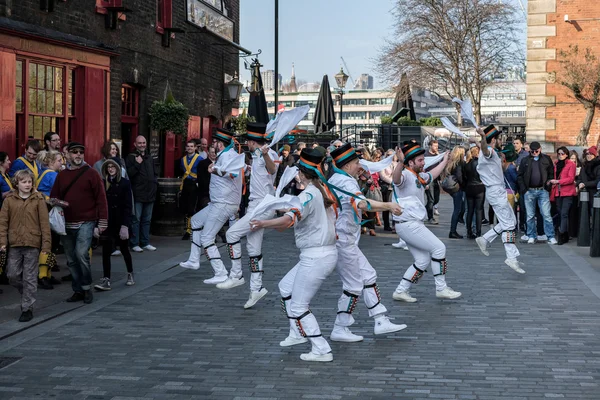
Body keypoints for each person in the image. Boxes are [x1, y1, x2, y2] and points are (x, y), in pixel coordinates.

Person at [250, 148, 337, 362]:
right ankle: (297, 333)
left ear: (302, 174)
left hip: (316, 256)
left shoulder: (309, 194)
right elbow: (294, 216)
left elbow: (290, 219)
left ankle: (321, 348)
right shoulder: (320, 190)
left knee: (299, 305)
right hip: (320, 254)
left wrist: (263, 223)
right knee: (285, 287)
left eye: (298, 170)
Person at [327, 143, 407, 342]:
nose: (359, 166)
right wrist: (388, 205)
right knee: (353, 285)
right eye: (356, 163)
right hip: (342, 240)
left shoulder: (343, 178)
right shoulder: (344, 182)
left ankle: (380, 319)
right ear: (346, 166)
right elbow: (362, 203)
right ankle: (340, 327)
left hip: (347, 240)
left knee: (368, 275)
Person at [217, 122, 278, 309]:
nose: (247, 145)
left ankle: (236, 275)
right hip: (255, 204)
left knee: (232, 234)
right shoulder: (256, 155)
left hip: (261, 206)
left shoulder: (269, 153)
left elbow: (273, 170)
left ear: (253, 141)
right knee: (254, 250)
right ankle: (256, 288)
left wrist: (266, 154)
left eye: (248, 142)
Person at [391, 142, 461, 303]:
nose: (424, 163)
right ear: (410, 163)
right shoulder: (405, 175)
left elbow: (433, 175)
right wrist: (400, 162)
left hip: (412, 224)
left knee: (422, 260)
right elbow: (395, 180)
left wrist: (444, 160)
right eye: (420, 160)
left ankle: (401, 290)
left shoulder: (419, 176)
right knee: (439, 248)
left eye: (423, 160)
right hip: (408, 223)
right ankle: (441, 288)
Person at [179, 128, 244, 284]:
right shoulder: (227, 155)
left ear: (220, 143)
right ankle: (194, 259)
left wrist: (214, 170)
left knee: (207, 237)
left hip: (223, 204)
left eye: (214, 142)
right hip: (218, 202)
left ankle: (220, 272)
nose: (212, 144)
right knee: (195, 221)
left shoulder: (228, 156)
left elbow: (232, 174)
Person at [50, 142, 108, 304]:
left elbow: (101, 199)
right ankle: (77, 289)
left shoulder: (92, 174)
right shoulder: (62, 176)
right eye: (74, 152)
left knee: (81, 254)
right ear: (67, 155)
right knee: (71, 259)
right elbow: (54, 196)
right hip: (66, 222)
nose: (78, 155)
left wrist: (102, 222)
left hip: (86, 221)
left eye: (80, 152)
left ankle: (86, 287)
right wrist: (57, 202)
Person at [0, 169, 51, 322]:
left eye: (29, 181)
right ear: (17, 183)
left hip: (32, 242)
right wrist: (2, 241)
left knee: (30, 276)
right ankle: (27, 292)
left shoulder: (38, 200)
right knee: (12, 275)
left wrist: (46, 246)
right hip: (15, 242)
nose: (27, 184)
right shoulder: (9, 200)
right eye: (24, 182)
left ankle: (27, 307)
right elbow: (3, 223)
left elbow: (44, 224)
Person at [473, 126, 525, 274]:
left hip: (497, 190)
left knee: (511, 222)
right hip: (495, 190)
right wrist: (482, 138)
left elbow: (483, 148)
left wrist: (477, 140)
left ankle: (485, 239)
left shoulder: (492, 153)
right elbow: (484, 149)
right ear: (494, 139)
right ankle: (511, 257)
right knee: (509, 224)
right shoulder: (488, 152)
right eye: (499, 138)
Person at [94, 159, 135, 291]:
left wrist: (125, 225)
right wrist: (98, 223)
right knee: (106, 251)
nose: (111, 169)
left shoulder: (125, 183)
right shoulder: (103, 183)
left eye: (113, 167)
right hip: (107, 221)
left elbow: (128, 206)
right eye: (108, 167)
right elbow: (98, 205)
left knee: (124, 249)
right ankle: (106, 279)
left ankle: (130, 273)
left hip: (120, 220)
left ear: (118, 168)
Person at [517, 141, 556, 244]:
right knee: (530, 215)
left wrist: (548, 186)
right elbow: (520, 175)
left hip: (543, 190)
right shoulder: (525, 160)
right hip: (529, 190)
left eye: (536, 151)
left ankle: (550, 235)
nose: (534, 152)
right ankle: (531, 235)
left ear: (540, 149)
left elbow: (551, 173)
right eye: (532, 151)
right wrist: (524, 189)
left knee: (546, 214)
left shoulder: (546, 159)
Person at [35, 150, 63, 290]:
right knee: (49, 243)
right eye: (59, 160)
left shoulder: (44, 173)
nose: (62, 163)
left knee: (49, 243)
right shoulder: (52, 175)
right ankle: (42, 275)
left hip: (45, 209)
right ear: (51, 162)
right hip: (48, 210)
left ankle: (48, 273)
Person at [126, 136, 158, 252]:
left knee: (147, 220)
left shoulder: (149, 157)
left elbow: (154, 173)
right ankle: (134, 243)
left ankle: (145, 242)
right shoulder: (131, 157)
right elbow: (129, 174)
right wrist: (137, 164)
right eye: (139, 143)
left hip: (150, 193)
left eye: (144, 143)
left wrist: (155, 184)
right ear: (135, 144)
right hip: (138, 193)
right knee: (136, 219)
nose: (142, 145)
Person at [549, 147, 576, 245]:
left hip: (567, 192)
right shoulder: (556, 164)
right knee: (560, 213)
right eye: (559, 154)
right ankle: (565, 234)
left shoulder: (571, 164)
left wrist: (558, 181)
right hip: (558, 192)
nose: (560, 155)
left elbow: (571, 179)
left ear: (567, 154)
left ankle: (561, 234)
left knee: (564, 213)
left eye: (563, 154)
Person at [179, 140, 202, 240]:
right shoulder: (182, 159)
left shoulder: (199, 159)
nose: (189, 148)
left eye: (191, 146)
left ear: (195, 148)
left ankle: (189, 230)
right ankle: (188, 228)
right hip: (185, 184)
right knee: (185, 207)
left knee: (191, 208)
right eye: (188, 146)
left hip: (194, 184)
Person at [445, 146, 466, 239]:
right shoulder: (459, 163)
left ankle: (454, 229)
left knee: (459, 208)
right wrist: (464, 185)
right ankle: (452, 231)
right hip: (457, 188)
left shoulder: (452, 163)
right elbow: (459, 177)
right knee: (457, 209)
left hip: (452, 188)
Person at [464, 146, 485, 239]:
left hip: (469, 187)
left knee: (470, 210)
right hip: (479, 187)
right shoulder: (480, 163)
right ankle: (478, 232)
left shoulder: (467, 163)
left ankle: (469, 231)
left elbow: (464, 176)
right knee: (479, 210)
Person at [379, 149, 397, 232]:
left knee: (395, 206)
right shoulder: (383, 164)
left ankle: (394, 225)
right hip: (387, 188)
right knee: (386, 206)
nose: (389, 156)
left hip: (396, 188)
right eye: (388, 154)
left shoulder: (397, 164)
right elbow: (382, 176)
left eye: (391, 154)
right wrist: (392, 181)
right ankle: (386, 225)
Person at [425, 139, 441, 222]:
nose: (436, 148)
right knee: (431, 199)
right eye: (435, 146)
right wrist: (425, 183)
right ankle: (430, 217)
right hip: (428, 179)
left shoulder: (437, 155)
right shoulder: (426, 155)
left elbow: (440, 168)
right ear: (430, 146)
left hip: (436, 180)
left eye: (437, 146)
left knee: (436, 199)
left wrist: (439, 179)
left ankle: (425, 209)